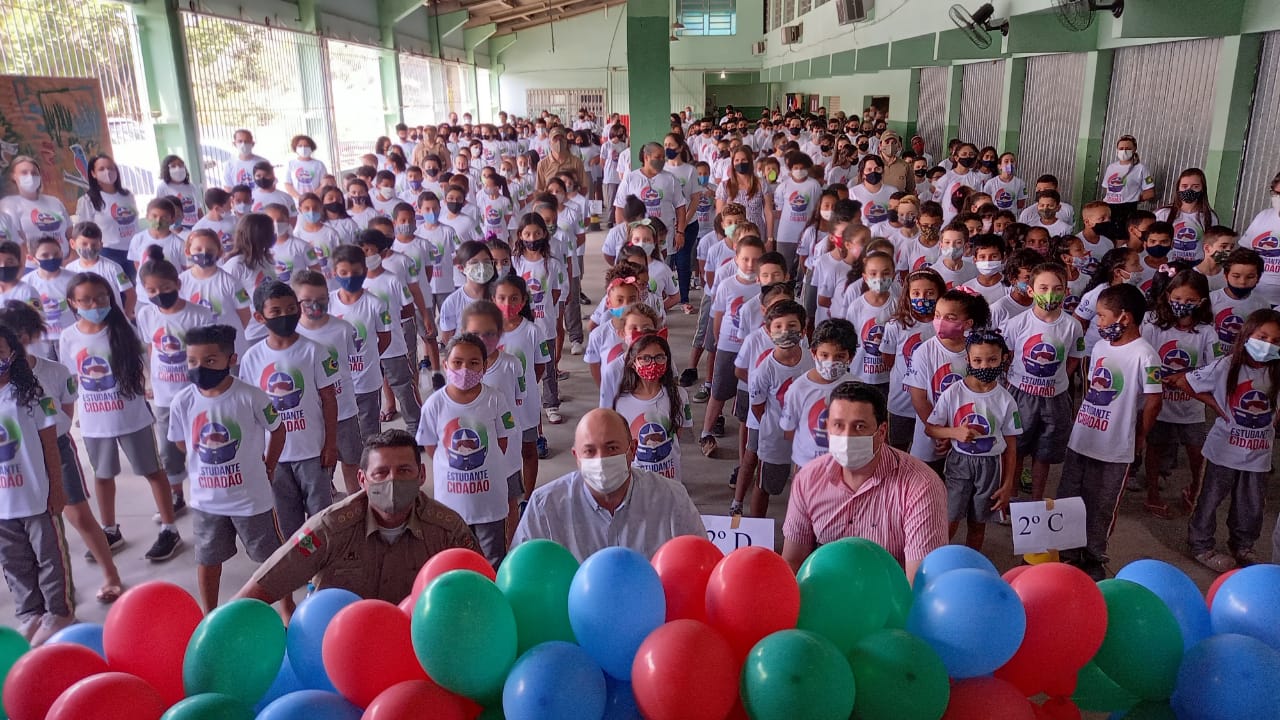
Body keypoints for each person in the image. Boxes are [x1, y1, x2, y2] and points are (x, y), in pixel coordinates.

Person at [236, 429, 480, 605]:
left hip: (416, 651)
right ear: (362, 480)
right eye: (381, 473)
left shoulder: (447, 530)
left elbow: (483, 594)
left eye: (404, 471)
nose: (392, 481)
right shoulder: (330, 529)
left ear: (421, 475)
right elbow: (262, 587)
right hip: (337, 653)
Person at [168, 325, 285, 612]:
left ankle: (286, 608)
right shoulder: (182, 401)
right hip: (207, 502)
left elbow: (278, 430)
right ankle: (209, 613)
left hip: (251, 499)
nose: (200, 368)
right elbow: (183, 442)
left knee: (271, 559)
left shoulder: (252, 396)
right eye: (192, 361)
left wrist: (268, 466)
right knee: (207, 559)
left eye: (210, 361)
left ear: (231, 360)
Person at [781, 381, 948, 582]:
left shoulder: (921, 486)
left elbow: (920, 584)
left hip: (890, 601)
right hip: (825, 595)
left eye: (859, 427)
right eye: (838, 425)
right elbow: (793, 561)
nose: (847, 436)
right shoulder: (807, 480)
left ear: (882, 432)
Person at [1058, 284, 1162, 580]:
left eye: (1102, 316)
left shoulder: (1145, 355)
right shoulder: (1101, 347)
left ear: (1124, 318)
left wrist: (1140, 435)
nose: (1098, 323)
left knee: (1101, 503)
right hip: (1082, 438)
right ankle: (1066, 553)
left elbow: (1155, 399)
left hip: (1115, 447)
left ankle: (1094, 557)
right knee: (1070, 495)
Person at [512, 408, 704, 561]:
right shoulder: (544, 507)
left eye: (612, 448)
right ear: (576, 457)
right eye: (589, 451)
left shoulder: (671, 498)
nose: (601, 460)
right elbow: (523, 574)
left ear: (633, 450)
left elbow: (698, 563)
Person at [1176, 309, 1280, 572]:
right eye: (1262, 336)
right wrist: (1217, 406)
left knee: (1252, 504)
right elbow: (1185, 381)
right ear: (1247, 334)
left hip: (1258, 455)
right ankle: (1201, 544)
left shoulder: (1277, 372)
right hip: (1222, 451)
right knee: (1209, 498)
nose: (1268, 345)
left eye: (1276, 341)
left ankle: (1243, 545)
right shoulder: (1227, 365)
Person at [238, 280, 339, 539]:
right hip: (275, 457)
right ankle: (298, 566)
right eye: (276, 311)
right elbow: (249, 413)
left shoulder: (315, 351)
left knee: (321, 518)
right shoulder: (252, 358)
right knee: (286, 519)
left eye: (291, 308)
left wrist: (330, 444)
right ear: (260, 317)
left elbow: (329, 399)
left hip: (313, 451)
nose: (285, 316)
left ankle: (321, 570)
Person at [417, 334, 517, 567]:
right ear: (445, 365)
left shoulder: (495, 399)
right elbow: (432, 446)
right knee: (454, 563)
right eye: (457, 362)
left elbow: (502, 442)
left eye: (474, 363)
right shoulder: (435, 404)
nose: (465, 369)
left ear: (484, 366)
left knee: (493, 562)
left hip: (490, 503)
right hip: (451, 505)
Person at [0, 323, 72, 645]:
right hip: (4, 504)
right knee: (14, 561)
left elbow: (50, 445)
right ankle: (30, 613)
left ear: (11, 354)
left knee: (49, 558)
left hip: (37, 497)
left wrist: (56, 489)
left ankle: (59, 611)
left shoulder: (34, 393)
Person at [925, 329, 1022, 552]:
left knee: (978, 523)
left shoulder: (1006, 400)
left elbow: (1011, 446)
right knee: (949, 520)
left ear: (1003, 359)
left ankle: (972, 562)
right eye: (977, 360)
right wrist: (954, 433)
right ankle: (938, 560)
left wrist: (1008, 485)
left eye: (992, 359)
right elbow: (931, 429)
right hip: (959, 463)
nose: (984, 366)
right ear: (967, 359)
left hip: (990, 467)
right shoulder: (954, 392)